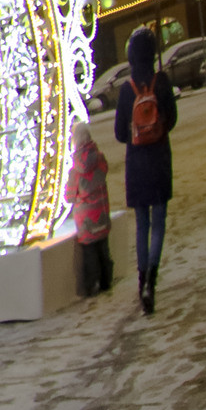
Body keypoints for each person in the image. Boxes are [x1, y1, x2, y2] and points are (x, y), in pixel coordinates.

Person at [116, 26, 177, 316]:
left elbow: (118, 133)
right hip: (160, 160)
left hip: (137, 164)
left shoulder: (127, 90)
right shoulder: (161, 82)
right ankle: (152, 279)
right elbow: (173, 119)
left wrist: (136, 135)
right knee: (159, 222)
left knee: (142, 224)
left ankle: (142, 282)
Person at [68, 127, 114, 298]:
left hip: (85, 219)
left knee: (90, 252)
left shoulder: (74, 171)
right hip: (101, 211)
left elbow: (69, 196)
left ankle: (90, 285)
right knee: (103, 248)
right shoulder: (100, 159)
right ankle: (106, 281)